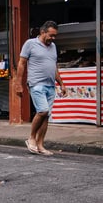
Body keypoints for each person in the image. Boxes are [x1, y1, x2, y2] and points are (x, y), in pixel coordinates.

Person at [15, 20, 64, 156]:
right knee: (42, 111)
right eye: (51, 35)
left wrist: (61, 83)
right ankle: (31, 138)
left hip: (50, 85)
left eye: (55, 36)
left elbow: (54, 67)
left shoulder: (53, 46)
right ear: (43, 32)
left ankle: (40, 144)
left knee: (46, 116)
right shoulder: (30, 44)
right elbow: (21, 64)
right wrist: (18, 83)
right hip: (36, 84)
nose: (53, 39)